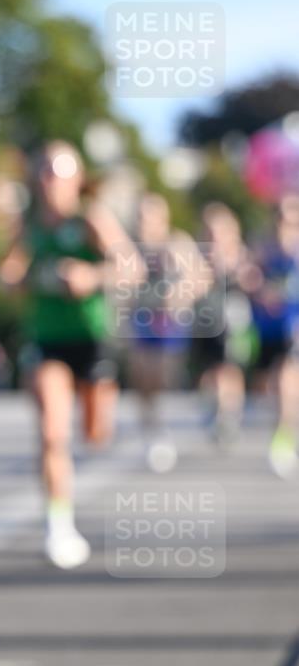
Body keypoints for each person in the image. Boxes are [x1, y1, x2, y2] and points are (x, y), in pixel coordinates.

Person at [0, 140, 140, 569]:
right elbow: (6, 275)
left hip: (91, 340)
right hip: (47, 342)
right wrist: (19, 279)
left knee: (96, 435)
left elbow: (132, 269)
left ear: (77, 179)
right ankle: (58, 526)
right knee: (51, 434)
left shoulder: (91, 220)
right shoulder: (28, 226)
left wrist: (90, 275)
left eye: (60, 171)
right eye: (44, 170)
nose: (50, 180)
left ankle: (65, 504)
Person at [127, 193, 212, 473]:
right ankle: (152, 431)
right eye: (140, 217)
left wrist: (180, 294)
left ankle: (168, 423)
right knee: (143, 378)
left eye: (149, 217)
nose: (144, 223)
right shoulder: (131, 248)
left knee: (163, 375)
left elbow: (202, 276)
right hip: (141, 318)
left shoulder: (177, 242)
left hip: (170, 321)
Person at [193, 202, 258, 445]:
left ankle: (229, 412)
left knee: (229, 368)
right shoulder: (200, 257)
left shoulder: (240, 255)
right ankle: (214, 406)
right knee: (209, 369)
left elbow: (251, 280)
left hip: (233, 321)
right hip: (206, 321)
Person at [249, 194, 299, 477]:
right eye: (281, 217)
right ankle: (285, 430)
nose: (285, 223)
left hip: (294, 329)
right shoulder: (264, 252)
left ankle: (283, 439)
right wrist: (259, 290)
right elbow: (249, 280)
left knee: (285, 381)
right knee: (272, 387)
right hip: (267, 329)